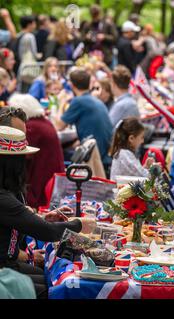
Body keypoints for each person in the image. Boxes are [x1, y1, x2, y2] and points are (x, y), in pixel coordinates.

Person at [0, 125, 96, 298]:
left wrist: (41, 218)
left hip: (8, 263)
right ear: (11, 163)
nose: (26, 164)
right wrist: (79, 224)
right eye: (22, 159)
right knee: (57, 288)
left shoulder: (6, 191)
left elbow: (18, 220)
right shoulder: (4, 197)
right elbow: (48, 232)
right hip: (5, 268)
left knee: (50, 277)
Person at [6, 95, 65, 208]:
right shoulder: (44, 122)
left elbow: (21, 157)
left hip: (40, 181)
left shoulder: (31, 127)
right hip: (52, 177)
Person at [54, 67, 113, 166]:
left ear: (71, 85)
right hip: (103, 154)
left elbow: (58, 126)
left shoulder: (79, 101)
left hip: (95, 159)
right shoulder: (95, 100)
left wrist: (62, 102)